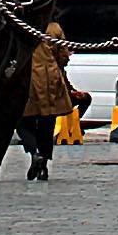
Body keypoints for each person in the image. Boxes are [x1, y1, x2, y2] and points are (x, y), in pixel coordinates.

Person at [17, 23, 74, 181]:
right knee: (47, 123)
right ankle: (43, 165)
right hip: (50, 79)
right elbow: (63, 54)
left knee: (21, 120)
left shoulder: (20, 23)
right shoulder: (54, 28)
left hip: (27, 78)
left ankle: (34, 152)